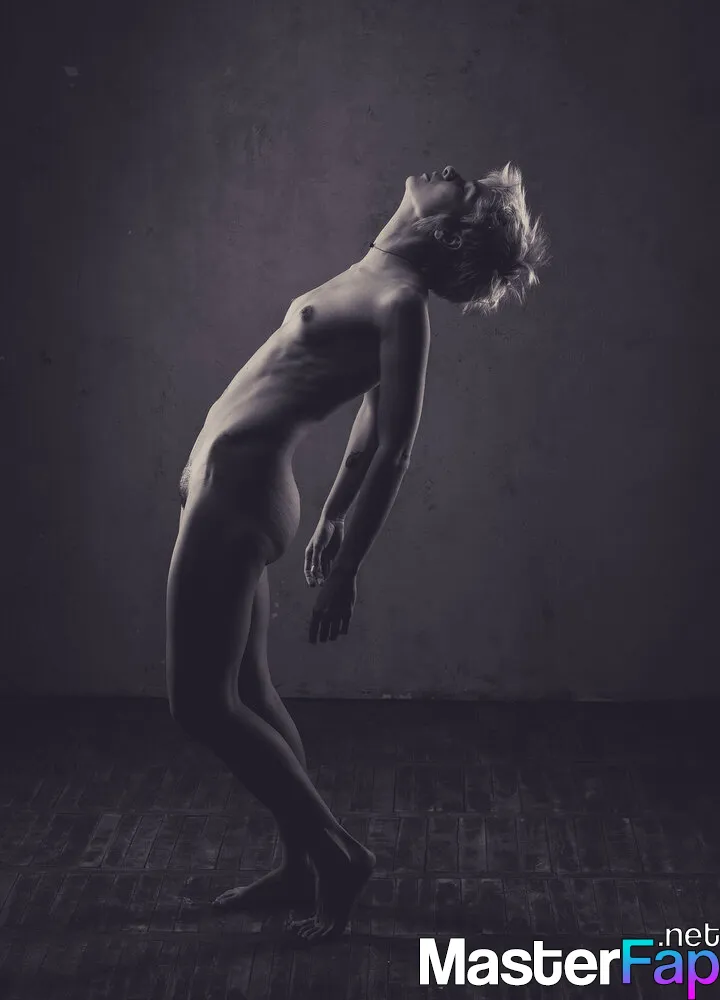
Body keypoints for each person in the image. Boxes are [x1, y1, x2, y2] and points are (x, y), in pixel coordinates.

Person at [166, 163, 548, 942]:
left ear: (449, 230)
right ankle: (299, 865)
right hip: (229, 490)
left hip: (237, 497)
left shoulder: (400, 302)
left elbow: (396, 448)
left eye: (467, 190)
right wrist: (333, 513)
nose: (452, 173)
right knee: (249, 691)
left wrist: (346, 570)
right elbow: (368, 421)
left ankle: (338, 856)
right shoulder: (375, 276)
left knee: (200, 704)